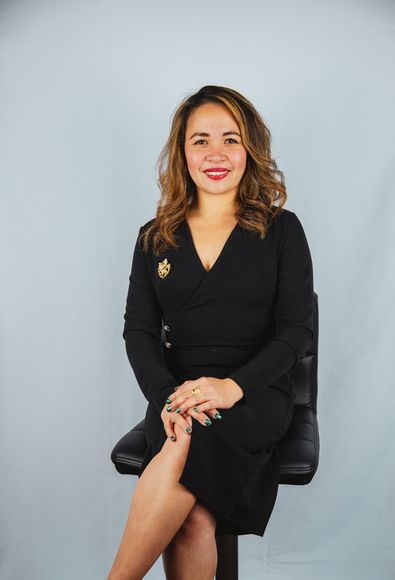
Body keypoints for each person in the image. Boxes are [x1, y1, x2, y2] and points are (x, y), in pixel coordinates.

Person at [107, 85, 315, 580]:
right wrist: (166, 397)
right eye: (200, 140)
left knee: (184, 447)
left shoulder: (283, 231)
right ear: (182, 152)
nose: (215, 154)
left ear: (251, 150)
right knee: (194, 518)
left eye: (230, 139)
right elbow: (138, 331)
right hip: (176, 390)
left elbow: (295, 332)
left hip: (255, 393)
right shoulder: (154, 235)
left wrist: (230, 387)